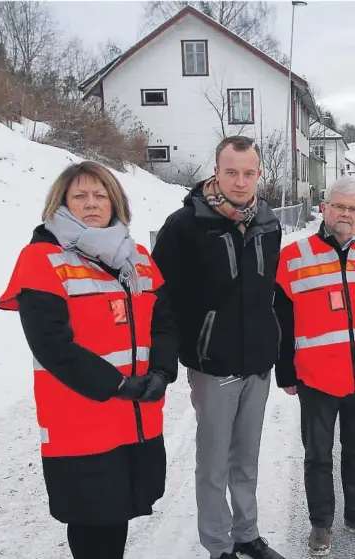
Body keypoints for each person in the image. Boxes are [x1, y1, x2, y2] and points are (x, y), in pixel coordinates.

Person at [0, 161, 178, 559]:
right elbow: (51, 344)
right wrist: (114, 384)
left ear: (115, 203)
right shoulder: (42, 258)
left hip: (136, 414)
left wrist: (163, 371)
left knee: (119, 513)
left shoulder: (139, 257)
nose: (91, 204)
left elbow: (164, 322)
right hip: (82, 416)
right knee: (92, 517)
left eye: (101, 195)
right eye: (79, 196)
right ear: (61, 203)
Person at [152, 136, 284, 559]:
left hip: (258, 363)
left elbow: (268, 292)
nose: (240, 182)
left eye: (248, 173)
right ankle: (219, 544)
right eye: (231, 172)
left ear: (259, 174)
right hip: (213, 365)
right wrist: (173, 351)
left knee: (247, 459)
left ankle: (247, 534)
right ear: (216, 172)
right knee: (213, 464)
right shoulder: (185, 224)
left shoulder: (268, 222)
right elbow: (161, 295)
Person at [274, 176, 355, 556]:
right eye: (339, 206)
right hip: (316, 377)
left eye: (353, 209)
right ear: (324, 207)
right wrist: (285, 370)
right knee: (318, 456)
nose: (345, 214)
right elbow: (281, 318)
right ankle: (321, 524)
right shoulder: (294, 256)